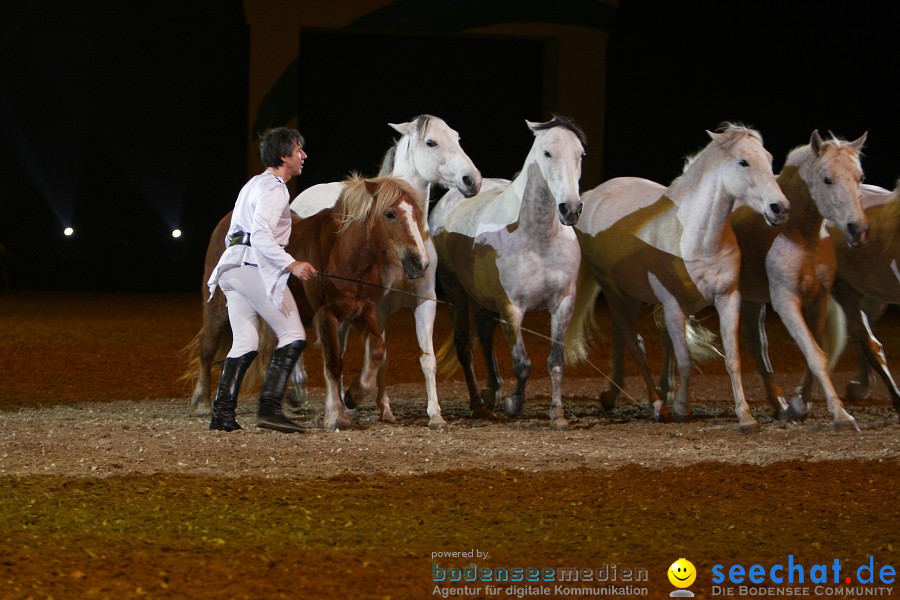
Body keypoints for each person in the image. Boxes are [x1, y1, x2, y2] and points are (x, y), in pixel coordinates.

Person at [206, 127, 317, 433]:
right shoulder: (276, 189)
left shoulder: (253, 184)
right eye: (298, 151)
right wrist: (292, 264)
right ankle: (270, 409)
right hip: (252, 266)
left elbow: (240, 233)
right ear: (285, 156)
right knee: (294, 335)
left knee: (246, 340)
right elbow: (260, 235)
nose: (303, 155)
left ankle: (222, 415)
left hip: (232, 268)